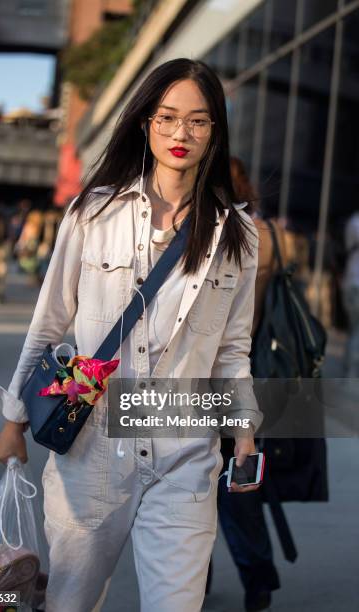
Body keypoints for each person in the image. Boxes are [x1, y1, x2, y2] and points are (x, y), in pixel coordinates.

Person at [0, 59, 263, 612]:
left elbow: (233, 349)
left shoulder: (237, 233)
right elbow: (48, 321)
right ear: (145, 122)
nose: (180, 134)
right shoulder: (95, 212)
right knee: (71, 602)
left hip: (184, 453)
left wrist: (243, 433)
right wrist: (13, 420)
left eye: (198, 121)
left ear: (215, 130)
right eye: (167, 118)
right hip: (92, 450)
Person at [216, 158, 286, 612]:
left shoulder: (229, 234)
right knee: (239, 486)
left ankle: (192, 582)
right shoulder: (276, 237)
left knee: (194, 487)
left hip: (217, 371)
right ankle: (258, 579)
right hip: (257, 373)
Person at [342, 211, 359, 377]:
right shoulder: (355, 222)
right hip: (355, 283)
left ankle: (349, 366)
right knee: (356, 329)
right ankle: (351, 369)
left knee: (354, 328)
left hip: (351, 282)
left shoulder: (353, 221)